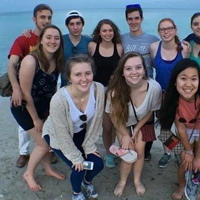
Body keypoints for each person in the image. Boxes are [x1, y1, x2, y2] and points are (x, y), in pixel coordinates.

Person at [10, 25, 65, 191]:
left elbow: (54, 87)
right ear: (40, 40)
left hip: (43, 108)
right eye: (48, 37)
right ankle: (28, 173)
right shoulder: (30, 60)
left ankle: (47, 168)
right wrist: (35, 118)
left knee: (45, 140)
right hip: (24, 108)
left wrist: (51, 111)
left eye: (56, 38)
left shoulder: (57, 60)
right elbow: (25, 93)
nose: (52, 41)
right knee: (44, 144)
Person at [43, 56, 105, 200]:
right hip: (57, 135)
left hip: (80, 133)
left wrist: (89, 145)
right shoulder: (59, 100)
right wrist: (76, 157)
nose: (84, 79)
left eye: (87, 73)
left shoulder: (98, 89)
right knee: (79, 167)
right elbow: (61, 132)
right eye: (77, 74)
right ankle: (76, 193)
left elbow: (97, 120)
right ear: (69, 78)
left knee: (98, 164)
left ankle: (87, 182)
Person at [159, 58, 200, 200]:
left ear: (199, 81)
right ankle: (182, 186)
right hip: (185, 129)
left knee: (198, 164)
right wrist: (188, 151)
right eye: (183, 78)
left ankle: (197, 188)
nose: (188, 84)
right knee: (185, 162)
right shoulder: (171, 98)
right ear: (175, 81)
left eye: (194, 79)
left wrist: (197, 157)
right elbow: (179, 128)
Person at [7, 3, 57, 168]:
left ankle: (46, 151)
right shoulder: (24, 39)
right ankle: (24, 153)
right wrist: (16, 88)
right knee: (25, 125)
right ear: (34, 19)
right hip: (26, 91)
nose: (46, 20)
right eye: (42, 17)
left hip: (44, 92)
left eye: (49, 17)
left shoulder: (52, 38)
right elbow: (11, 65)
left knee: (44, 124)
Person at [105, 52, 162, 197]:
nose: (134, 72)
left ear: (144, 69)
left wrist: (136, 129)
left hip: (142, 122)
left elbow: (150, 111)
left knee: (139, 151)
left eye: (138, 67)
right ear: (122, 72)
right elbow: (114, 116)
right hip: (122, 122)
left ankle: (137, 180)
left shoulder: (154, 88)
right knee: (128, 152)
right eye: (128, 68)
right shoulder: (114, 91)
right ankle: (122, 181)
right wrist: (125, 134)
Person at [150, 18, 189, 168]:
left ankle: (179, 153)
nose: (166, 32)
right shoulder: (154, 47)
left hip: (180, 95)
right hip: (161, 95)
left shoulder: (184, 49)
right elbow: (155, 67)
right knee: (165, 129)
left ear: (175, 30)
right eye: (162, 29)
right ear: (159, 32)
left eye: (169, 28)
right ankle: (167, 153)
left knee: (180, 127)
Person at [121, 4, 160, 160]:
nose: (133, 21)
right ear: (127, 20)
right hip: (128, 86)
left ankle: (147, 151)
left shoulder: (153, 40)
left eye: (136, 18)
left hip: (147, 86)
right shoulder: (122, 39)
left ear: (142, 19)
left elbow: (161, 59)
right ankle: (128, 144)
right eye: (130, 19)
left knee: (148, 120)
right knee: (129, 117)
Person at [88, 19, 123, 168]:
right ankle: (109, 153)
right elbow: (88, 68)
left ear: (114, 31)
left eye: (110, 30)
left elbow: (122, 70)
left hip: (115, 92)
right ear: (99, 32)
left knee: (117, 125)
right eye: (104, 30)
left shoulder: (119, 47)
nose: (108, 33)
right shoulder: (92, 46)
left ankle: (117, 151)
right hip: (98, 93)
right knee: (107, 127)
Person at [61, 10, 91, 87]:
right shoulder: (60, 40)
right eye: (71, 24)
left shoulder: (89, 41)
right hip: (66, 85)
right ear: (66, 25)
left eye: (78, 23)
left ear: (83, 24)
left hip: (84, 84)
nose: (75, 27)